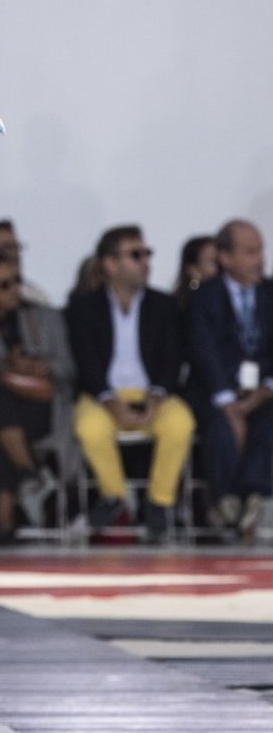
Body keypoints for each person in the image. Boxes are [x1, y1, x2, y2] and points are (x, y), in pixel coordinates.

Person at [66, 226, 194, 540]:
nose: (146, 262)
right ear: (110, 264)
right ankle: (115, 496)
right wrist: (109, 401)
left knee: (180, 422)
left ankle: (159, 502)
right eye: (136, 255)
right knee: (89, 427)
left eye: (146, 254)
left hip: (152, 395)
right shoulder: (85, 307)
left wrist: (156, 397)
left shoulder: (164, 305)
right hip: (103, 396)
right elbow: (85, 362)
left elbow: (172, 359)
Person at [0, 249, 75, 541]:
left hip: (41, 409)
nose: (14, 290)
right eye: (4, 285)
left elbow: (69, 368)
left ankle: (7, 508)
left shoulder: (44, 319)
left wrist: (40, 366)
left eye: (16, 281)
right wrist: (8, 366)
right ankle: (29, 478)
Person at [187, 219, 273, 540]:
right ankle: (227, 501)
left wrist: (264, 391)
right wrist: (228, 402)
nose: (259, 260)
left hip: (263, 391)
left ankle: (254, 495)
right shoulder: (204, 297)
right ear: (225, 257)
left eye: (260, 251)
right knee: (221, 425)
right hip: (216, 390)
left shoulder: (270, 293)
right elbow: (203, 350)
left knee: (267, 422)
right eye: (250, 252)